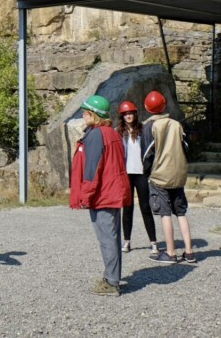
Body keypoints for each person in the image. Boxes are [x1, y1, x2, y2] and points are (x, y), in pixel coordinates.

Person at [69, 94, 131, 297]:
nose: (83, 115)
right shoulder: (112, 133)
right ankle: (112, 277)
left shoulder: (96, 135)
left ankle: (112, 282)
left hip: (103, 193)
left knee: (107, 238)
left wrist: (86, 195)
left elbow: (92, 169)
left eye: (86, 112)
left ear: (93, 115)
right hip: (112, 191)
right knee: (112, 236)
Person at [141, 90, 197, 264]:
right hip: (178, 175)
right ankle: (189, 252)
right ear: (164, 105)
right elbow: (186, 146)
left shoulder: (150, 127)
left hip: (159, 176)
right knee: (181, 212)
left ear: (147, 107)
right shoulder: (176, 124)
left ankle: (171, 253)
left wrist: (146, 171)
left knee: (165, 214)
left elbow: (146, 154)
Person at [117, 100, 159, 255]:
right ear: (122, 116)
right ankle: (127, 241)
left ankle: (153, 242)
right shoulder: (119, 132)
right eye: (125, 114)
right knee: (127, 209)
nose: (128, 116)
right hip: (126, 174)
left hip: (141, 173)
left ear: (135, 114)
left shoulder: (143, 130)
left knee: (146, 207)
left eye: (130, 113)